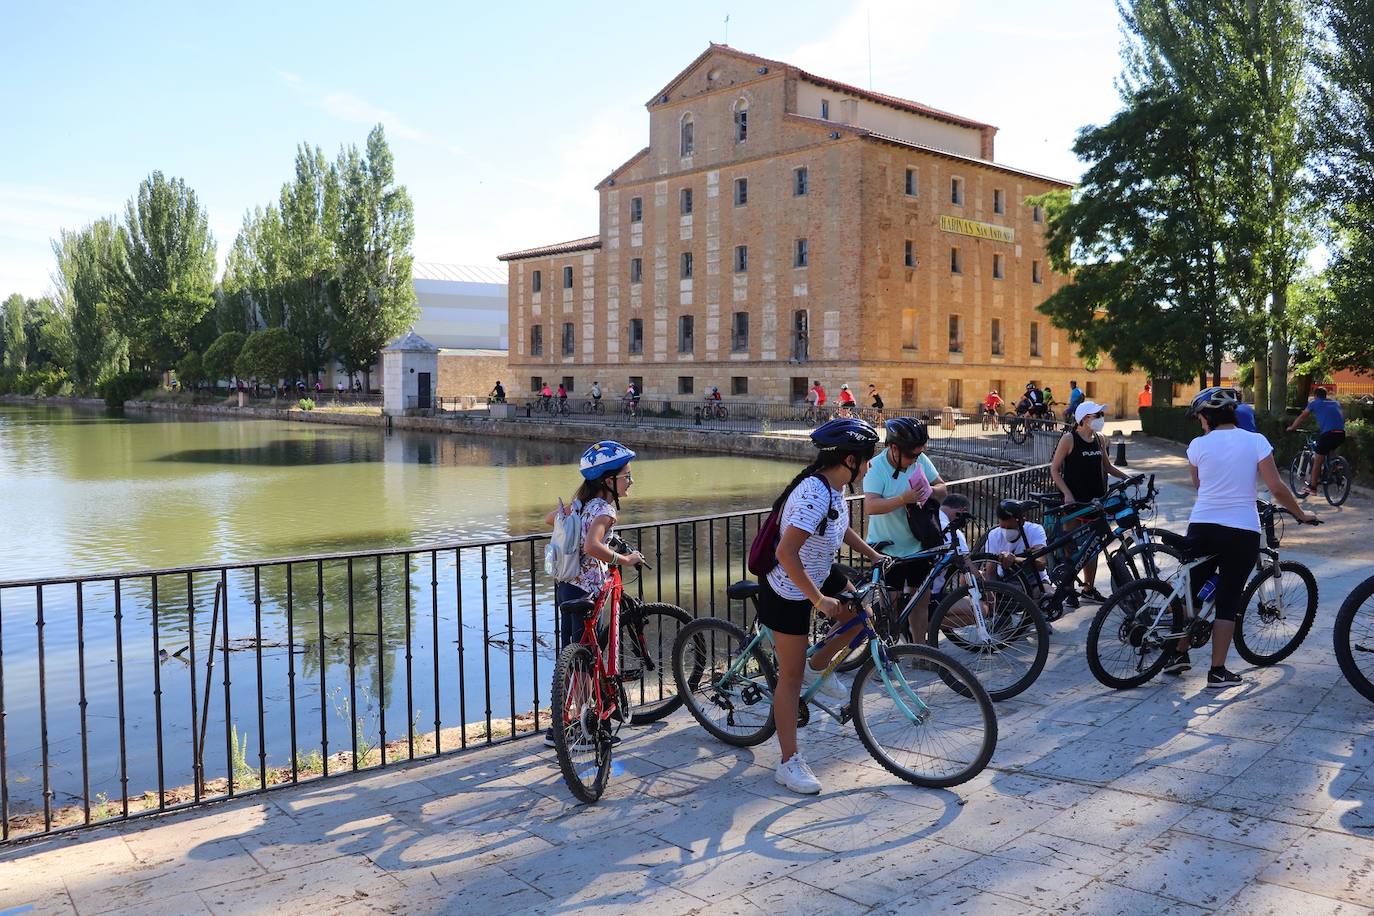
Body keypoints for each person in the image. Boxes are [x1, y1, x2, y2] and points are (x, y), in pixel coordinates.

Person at [763, 418, 889, 794]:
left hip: (819, 570)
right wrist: (817, 600)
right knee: (789, 678)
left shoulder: (833, 489)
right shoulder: (813, 493)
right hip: (789, 587)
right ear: (850, 460)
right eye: (867, 459)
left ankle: (815, 665)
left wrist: (873, 556)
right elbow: (785, 553)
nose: (870, 467)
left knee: (860, 616)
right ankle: (788, 763)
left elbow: (840, 527)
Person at [1163, 388, 1316, 687]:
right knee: (1228, 600)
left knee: (1192, 593)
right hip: (1241, 530)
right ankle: (1217, 672)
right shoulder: (1256, 441)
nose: (1199, 423)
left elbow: (1200, 486)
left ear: (1207, 416)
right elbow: (1277, 487)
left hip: (1202, 526)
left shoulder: (1196, 446)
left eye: (1199, 417)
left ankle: (1177, 654)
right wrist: (1300, 514)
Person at [542, 440, 644, 746]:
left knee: (571, 655)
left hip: (566, 585)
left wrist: (576, 521)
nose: (630, 481)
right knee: (587, 658)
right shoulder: (605, 510)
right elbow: (592, 546)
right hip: (589, 591)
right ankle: (584, 725)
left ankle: (561, 723)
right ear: (608, 480)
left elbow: (552, 519)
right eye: (626, 475)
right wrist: (624, 559)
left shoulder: (582, 503)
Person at [863, 418, 949, 640]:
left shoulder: (919, 461)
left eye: (918, 454)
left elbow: (942, 489)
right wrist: (903, 499)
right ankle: (889, 655)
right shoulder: (875, 467)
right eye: (911, 455)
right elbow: (871, 506)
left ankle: (920, 652)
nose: (914, 460)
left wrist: (929, 490)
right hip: (888, 549)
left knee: (920, 601)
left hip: (918, 547)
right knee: (890, 607)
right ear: (893, 448)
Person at [1050, 401, 1131, 604]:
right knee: (1071, 548)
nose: (1101, 418)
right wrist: (1067, 493)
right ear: (1085, 418)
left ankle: (1088, 588)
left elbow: (1108, 467)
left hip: (1096, 501)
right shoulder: (1069, 439)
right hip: (1074, 503)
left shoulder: (1100, 439)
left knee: (1092, 547)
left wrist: (1128, 478)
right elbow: (1054, 469)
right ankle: (1068, 589)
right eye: (1098, 415)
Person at [980, 499, 1052, 594]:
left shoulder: (1035, 530)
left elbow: (1041, 564)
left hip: (1034, 582)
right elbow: (990, 570)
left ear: (1022, 521)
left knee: (1047, 594)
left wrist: (1015, 560)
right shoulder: (994, 534)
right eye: (1003, 527)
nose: (1006, 531)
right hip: (1005, 582)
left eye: (1010, 528)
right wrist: (991, 594)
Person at [1287, 387, 1346, 498]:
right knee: (1330, 448)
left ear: (1315, 395)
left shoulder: (1314, 403)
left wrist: (1292, 427)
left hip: (1328, 434)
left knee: (1318, 460)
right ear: (1325, 395)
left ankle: (1312, 488)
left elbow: (1302, 417)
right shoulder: (1335, 403)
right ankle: (1335, 465)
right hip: (1341, 433)